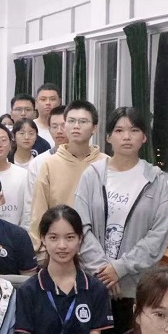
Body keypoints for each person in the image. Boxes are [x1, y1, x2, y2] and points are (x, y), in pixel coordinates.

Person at [75, 106, 168, 334]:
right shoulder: (92, 175)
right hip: (94, 284)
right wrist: (104, 271)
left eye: (134, 130)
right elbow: (80, 227)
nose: (127, 136)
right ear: (108, 137)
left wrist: (120, 268)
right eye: (119, 130)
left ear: (144, 137)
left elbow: (158, 235)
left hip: (136, 288)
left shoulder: (155, 179)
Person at [15, 205, 112, 334]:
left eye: (70, 237)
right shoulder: (28, 291)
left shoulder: (96, 289)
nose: (62, 245)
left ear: (80, 239)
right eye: (54, 238)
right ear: (43, 239)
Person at [30, 100, 108, 247]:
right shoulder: (49, 164)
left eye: (83, 121)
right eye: (71, 121)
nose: (76, 126)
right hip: (59, 248)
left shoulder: (106, 164)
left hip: (99, 248)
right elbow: (38, 214)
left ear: (95, 128)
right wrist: (40, 250)